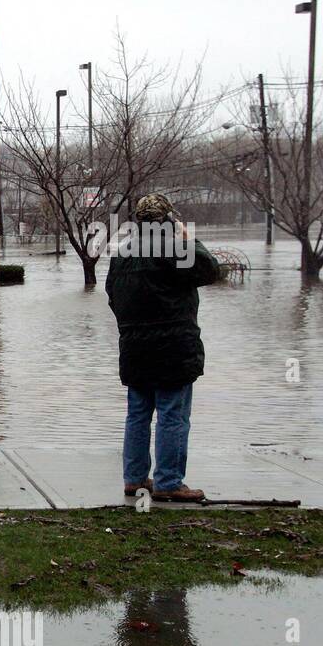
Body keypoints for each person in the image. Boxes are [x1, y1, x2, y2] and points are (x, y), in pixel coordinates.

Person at [106, 193, 221, 502]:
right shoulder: (175, 247)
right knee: (172, 414)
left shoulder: (122, 253)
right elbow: (211, 270)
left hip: (134, 349)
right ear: (169, 219)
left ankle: (134, 479)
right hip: (173, 349)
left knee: (138, 414)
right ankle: (169, 481)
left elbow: (113, 296)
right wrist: (190, 238)